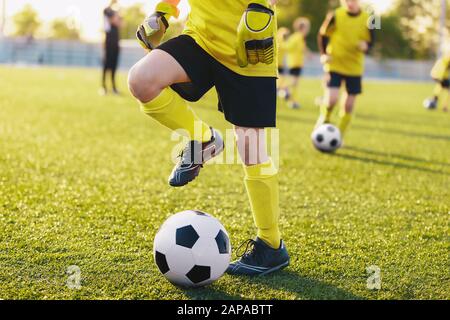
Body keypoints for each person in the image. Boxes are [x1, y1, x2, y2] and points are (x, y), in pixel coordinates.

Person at [128, 0, 290, 276]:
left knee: (250, 147)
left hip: (248, 43)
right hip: (201, 39)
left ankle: (271, 246)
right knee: (142, 79)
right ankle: (203, 139)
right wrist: (163, 13)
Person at [316, 0, 375, 137]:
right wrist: (324, 54)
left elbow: (373, 41)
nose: (350, 3)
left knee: (348, 105)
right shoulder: (335, 15)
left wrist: (366, 46)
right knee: (331, 99)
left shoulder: (371, 18)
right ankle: (324, 119)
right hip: (335, 63)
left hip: (354, 67)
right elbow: (322, 35)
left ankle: (339, 135)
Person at [283, 17, 310, 109]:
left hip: (297, 63)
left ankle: (292, 101)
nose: (308, 30)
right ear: (302, 28)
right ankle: (283, 89)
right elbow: (287, 47)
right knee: (294, 83)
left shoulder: (299, 37)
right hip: (294, 63)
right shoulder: (297, 37)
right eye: (307, 27)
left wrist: (308, 54)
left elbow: (303, 49)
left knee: (295, 83)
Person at [101, 0, 122, 95]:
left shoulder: (117, 11)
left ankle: (113, 87)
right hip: (109, 42)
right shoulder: (107, 10)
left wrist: (117, 18)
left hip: (116, 43)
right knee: (106, 66)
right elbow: (113, 20)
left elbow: (120, 24)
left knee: (114, 66)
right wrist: (116, 18)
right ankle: (104, 87)